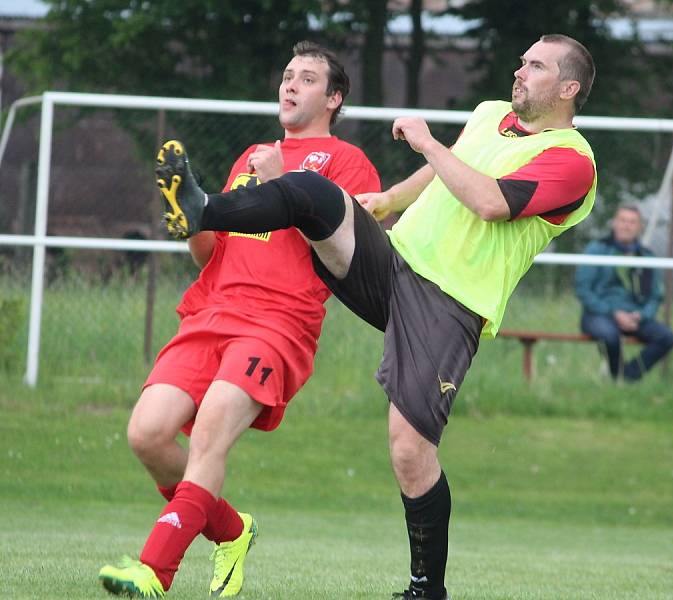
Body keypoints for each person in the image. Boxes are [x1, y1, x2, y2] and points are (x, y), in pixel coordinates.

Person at [154, 33, 596, 600]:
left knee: (410, 450)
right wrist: (389, 200)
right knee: (315, 191)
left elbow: (490, 201)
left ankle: (425, 588)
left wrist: (428, 143)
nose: (520, 71)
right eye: (522, 60)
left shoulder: (573, 162)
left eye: (536, 66)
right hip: (394, 266)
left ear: (568, 87)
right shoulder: (491, 114)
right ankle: (202, 210)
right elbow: (445, 175)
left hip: (450, 301)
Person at [98, 41, 380, 598]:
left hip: (278, 322)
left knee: (209, 435)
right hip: (211, 311)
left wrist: (283, 186)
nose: (291, 85)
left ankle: (155, 571)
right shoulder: (252, 153)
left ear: (333, 98)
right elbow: (212, 254)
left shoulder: (348, 163)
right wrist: (192, 218)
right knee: (148, 435)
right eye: (287, 75)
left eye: (307, 78)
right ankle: (232, 530)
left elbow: (346, 252)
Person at [574, 205, 673, 381]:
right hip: (599, 315)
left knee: (667, 337)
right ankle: (617, 377)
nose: (626, 226)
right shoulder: (596, 250)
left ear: (639, 227)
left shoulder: (646, 257)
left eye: (632, 222)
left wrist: (640, 315)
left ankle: (628, 376)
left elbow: (655, 296)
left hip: (634, 317)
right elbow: (583, 289)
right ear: (614, 223)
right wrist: (613, 313)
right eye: (622, 221)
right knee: (609, 335)